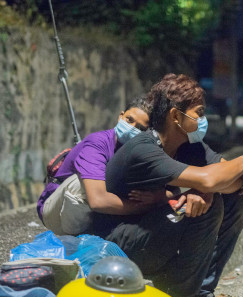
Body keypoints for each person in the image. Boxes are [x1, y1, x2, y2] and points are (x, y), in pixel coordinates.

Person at [101, 74, 243, 297]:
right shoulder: (144, 148)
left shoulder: (188, 145)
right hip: (119, 246)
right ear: (176, 116)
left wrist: (211, 186)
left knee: (235, 202)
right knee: (205, 206)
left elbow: (231, 181)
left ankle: (202, 293)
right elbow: (218, 177)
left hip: (154, 232)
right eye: (198, 112)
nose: (202, 119)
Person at [37, 96, 158, 236]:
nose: (131, 128)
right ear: (120, 116)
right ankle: (76, 241)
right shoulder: (98, 143)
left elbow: (169, 187)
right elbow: (97, 201)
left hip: (94, 213)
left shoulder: (140, 152)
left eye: (140, 128)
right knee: (83, 185)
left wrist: (157, 197)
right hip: (55, 211)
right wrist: (140, 207)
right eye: (129, 120)